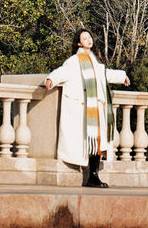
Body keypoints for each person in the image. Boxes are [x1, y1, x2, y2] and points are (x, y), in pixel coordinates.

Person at [45, 28, 130, 187]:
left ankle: (94, 176)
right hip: (85, 111)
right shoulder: (74, 61)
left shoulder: (96, 62)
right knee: (90, 141)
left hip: (97, 109)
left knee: (98, 142)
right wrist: (51, 79)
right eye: (85, 38)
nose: (89, 40)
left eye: (89, 37)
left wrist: (122, 76)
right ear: (78, 42)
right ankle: (92, 177)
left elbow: (106, 74)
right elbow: (63, 72)